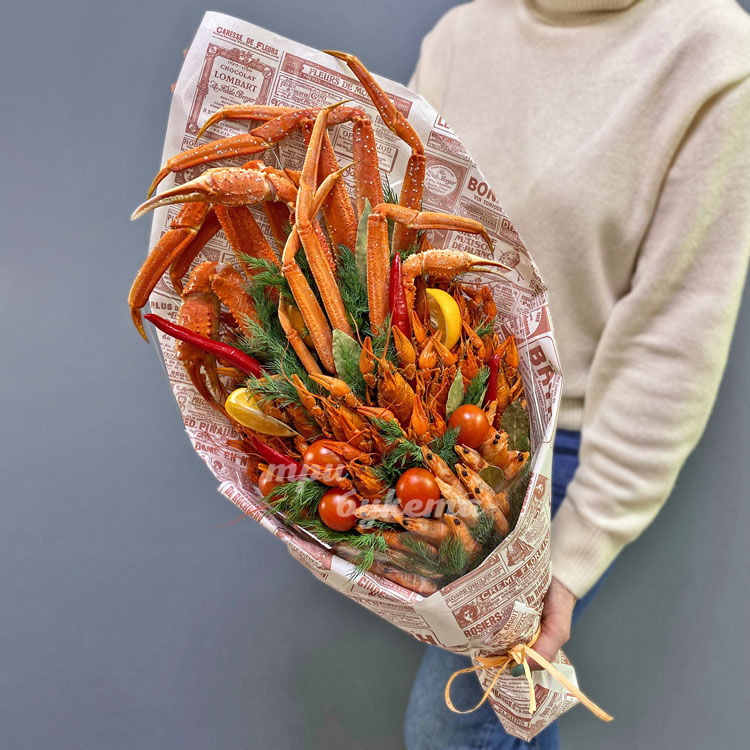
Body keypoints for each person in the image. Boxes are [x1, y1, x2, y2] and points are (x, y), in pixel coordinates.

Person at [403, 0, 750, 747]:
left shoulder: (710, 53)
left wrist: (577, 549)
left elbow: (672, 336)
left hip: (558, 446)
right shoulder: (459, 37)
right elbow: (393, 244)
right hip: (422, 424)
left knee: (456, 727)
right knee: (504, 720)